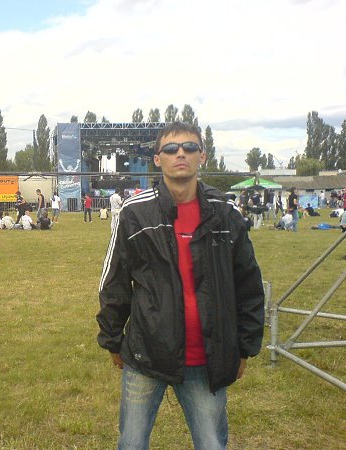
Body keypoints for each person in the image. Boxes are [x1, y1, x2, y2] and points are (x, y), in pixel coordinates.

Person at [97, 122, 264, 449]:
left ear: (202, 155)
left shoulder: (224, 212)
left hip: (207, 356)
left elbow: (248, 284)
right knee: (131, 443)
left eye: (189, 147)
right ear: (157, 159)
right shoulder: (135, 212)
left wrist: (245, 346)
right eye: (171, 149)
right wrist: (112, 338)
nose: (181, 154)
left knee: (211, 443)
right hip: (146, 354)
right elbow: (114, 279)